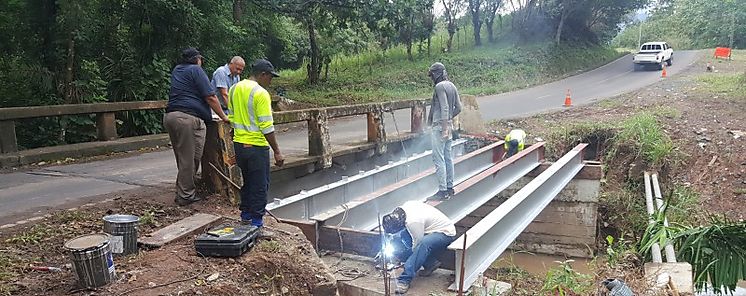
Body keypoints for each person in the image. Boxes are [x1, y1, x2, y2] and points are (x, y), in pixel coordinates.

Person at [164, 47, 229, 206]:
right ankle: (186, 196)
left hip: (171, 117)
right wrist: (224, 117)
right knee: (189, 159)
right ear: (197, 59)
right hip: (188, 119)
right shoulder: (196, 70)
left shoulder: (178, 70)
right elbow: (211, 97)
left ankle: (183, 191)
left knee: (184, 158)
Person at [228, 59, 284, 233]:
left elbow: (232, 116)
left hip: (239, 145)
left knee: (248, 182)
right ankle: (257, 223)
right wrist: (277, 151)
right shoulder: (260, 93)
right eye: (270, 78)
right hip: (256, 146)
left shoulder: (234, 89)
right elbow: (267, 126)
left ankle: (245, 216)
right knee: (260, 184)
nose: (270, 82)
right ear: (263, 75)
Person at [382, 201, 457, 294]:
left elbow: (417, 245)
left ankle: (405, 279)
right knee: (404, 235)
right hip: (429, 228)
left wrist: (406, 257)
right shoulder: (402, 211)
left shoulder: (413, 222)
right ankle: (431, 263)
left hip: (445, 233)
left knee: (423, 244)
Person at [426, 62, 462, 201]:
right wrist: (449, 122)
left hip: (440, 128)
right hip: (448, 126)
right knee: (448, 157)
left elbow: (445, 107)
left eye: (432, 75)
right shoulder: (452, 85)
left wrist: (444, 126)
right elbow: (458, 107)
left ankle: (442, 191)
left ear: (436, 74)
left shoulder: (440, 86)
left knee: (438, 158)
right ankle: (449, 187)